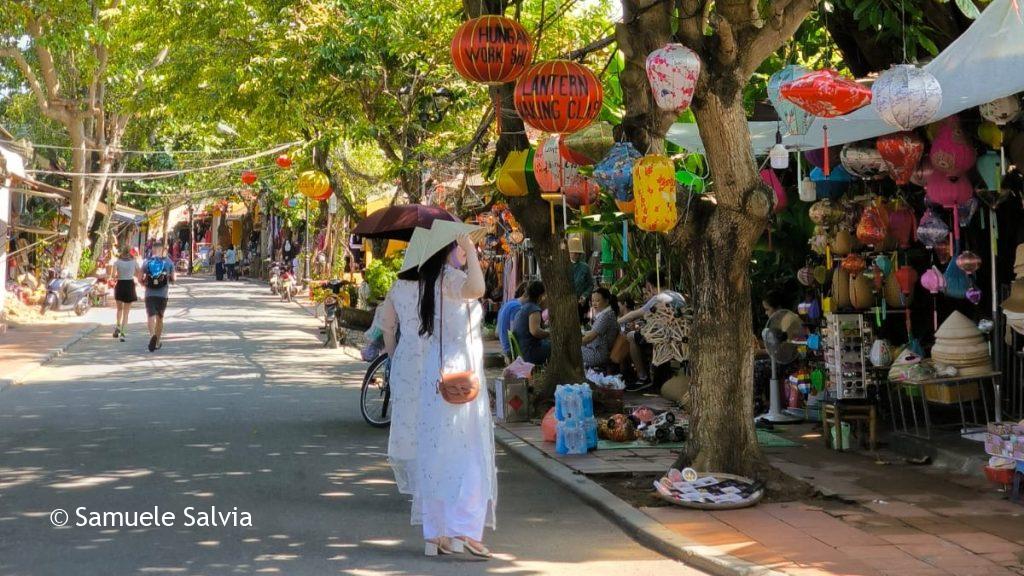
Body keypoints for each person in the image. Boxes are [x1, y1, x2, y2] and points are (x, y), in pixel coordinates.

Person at [415, 223, 496, 558]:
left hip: (439, 373)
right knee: (469, 454)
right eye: (459, 247)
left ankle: (437, 534)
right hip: (458, 373)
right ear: (448, 250)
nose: (464, 251)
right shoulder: (449, 278)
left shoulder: (431, 281)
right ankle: (463, 529)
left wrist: (465, 249)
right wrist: (472, 251)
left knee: (439, 453)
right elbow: (478, 288)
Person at [377, 227, 429, 509]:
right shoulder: (434, 286)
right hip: (431, 355)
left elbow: (387, 328)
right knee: (430, 417)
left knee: (408, 419)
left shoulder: (398, 288)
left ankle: (413, 477)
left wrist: (394, 356)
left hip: (407, 356)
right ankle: (430, 474)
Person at [617, 271, 686, 390]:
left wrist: (617, 322)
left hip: (663, 336)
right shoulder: (678, 296)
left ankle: (642, 377)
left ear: (649, 285)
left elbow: (636, 314)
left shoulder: (659, 297)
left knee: (631, 336)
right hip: (681, 335)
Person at [142, 241, 176, 352]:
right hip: (163, 295)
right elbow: (174, 279)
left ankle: (152, 335)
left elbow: (139, 278)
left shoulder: (147, 262)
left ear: (152, 249)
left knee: (150, 316)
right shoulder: (168, 262)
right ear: (162, 250)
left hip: (149, 293)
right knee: (160, 318)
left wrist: (145, 284)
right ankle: (157, 342)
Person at [511, 280, 550, 365]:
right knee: (558, 346)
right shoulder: (533, 309)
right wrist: (549, 333)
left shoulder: (524, 308)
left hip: (523, 351)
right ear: (541, 296)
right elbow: (535, 331)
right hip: (530, 353)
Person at [581, 287, 621, 369]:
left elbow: (589, 338)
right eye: (592, 301)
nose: (594, 303)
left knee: (569, 349)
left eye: (597, 301)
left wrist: (573, 343)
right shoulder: (605, 314)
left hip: (598, 354)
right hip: (595, 350)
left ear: (606, 301)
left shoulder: (606, 316)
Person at [112, 245, 141, 342]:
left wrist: (118, 275)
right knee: (126, 312)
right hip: (129, 284)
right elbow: (139, 271)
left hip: (120, 284)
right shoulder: (134, 262)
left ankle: (117, 326)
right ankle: (123, 333)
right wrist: (134, 275)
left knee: (119, 309)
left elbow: (113, 275)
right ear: (130, 252)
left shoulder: (117, 262)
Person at [496, 281, 528, 362]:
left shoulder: (509, 303)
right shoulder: (517, 307)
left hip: (504, 346)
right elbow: (514, 332)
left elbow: (496, 332)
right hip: (511, 349)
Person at [568, 236, 593, 323]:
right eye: (575, 253)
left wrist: (584, 296)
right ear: (569, 253)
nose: (577, 255)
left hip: (582, 303)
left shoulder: (585, 267)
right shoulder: (565, 266)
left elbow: (590, 284)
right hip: (568, 304)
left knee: (584, 323)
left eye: (579, 253)